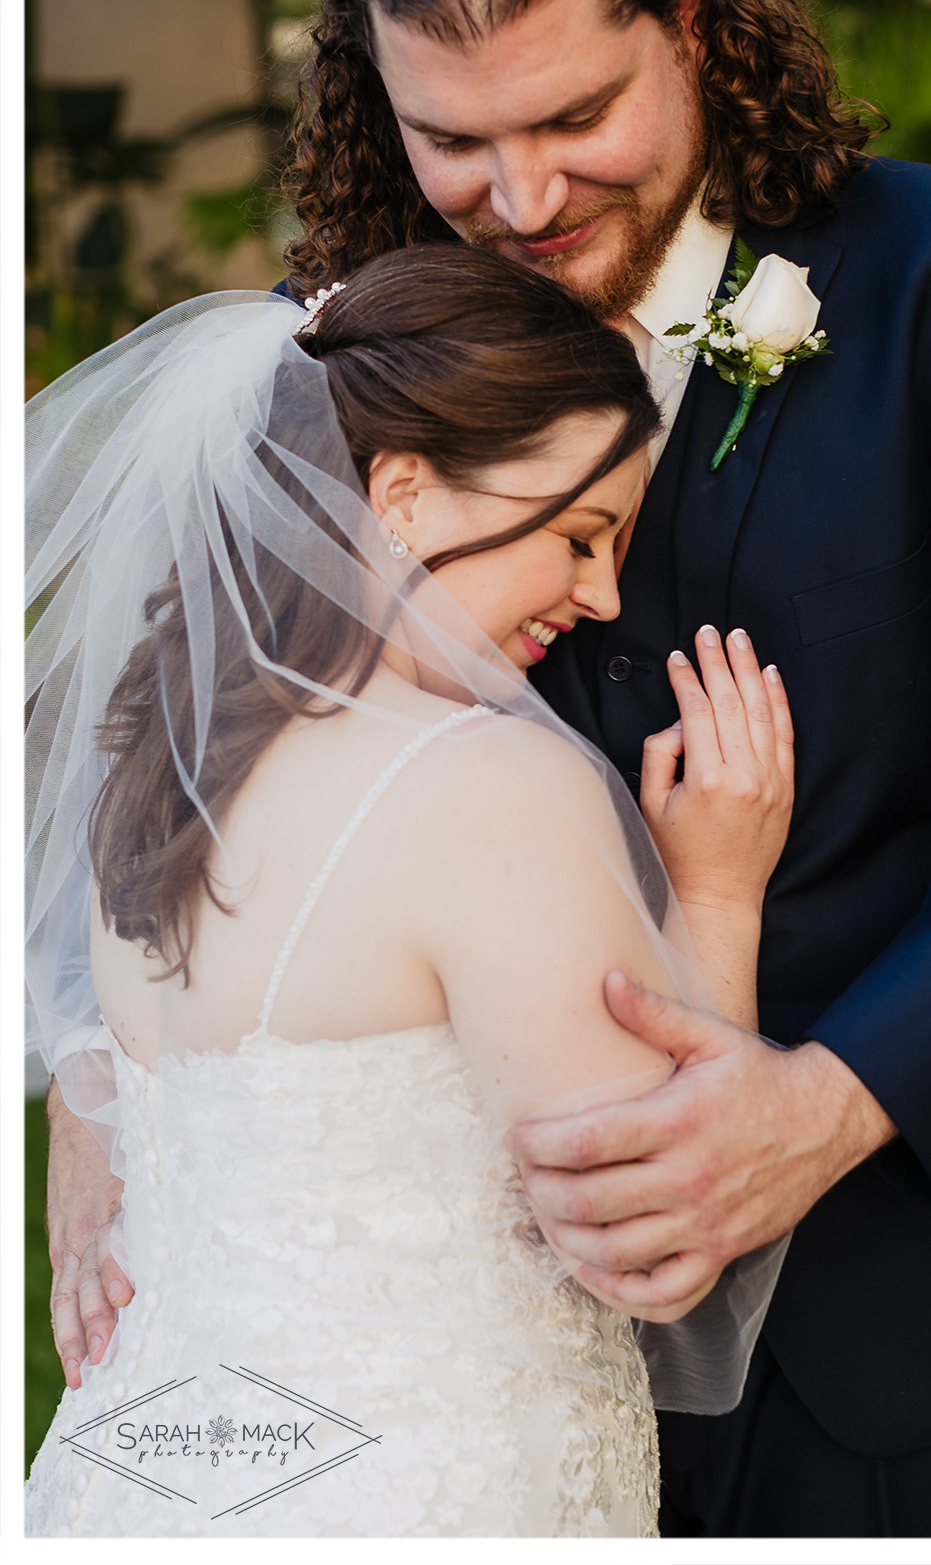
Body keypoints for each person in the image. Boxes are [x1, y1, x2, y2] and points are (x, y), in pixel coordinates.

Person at [37, 0, 931, 1537]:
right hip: (468, 1317)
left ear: (689, 16)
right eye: (451, 140)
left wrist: (831, 1101)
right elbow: (174, 725)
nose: (514, 195)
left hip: (912, 1291)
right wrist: (92, 1087)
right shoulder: (336, 360)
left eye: (572, 112)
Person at [27, 250, 795, 1534]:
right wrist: (718, 897)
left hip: (134, 1478)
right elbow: (648, 1241)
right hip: (428, 1491)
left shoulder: (148, 774)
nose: (602, 595)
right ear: (401, 490)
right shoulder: (488, 787)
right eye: (580, 533)